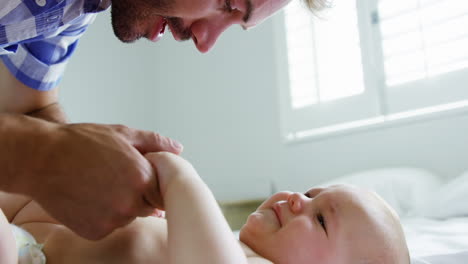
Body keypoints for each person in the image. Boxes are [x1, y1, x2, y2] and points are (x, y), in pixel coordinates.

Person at [0, 0, 329, 240]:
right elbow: (37, 139)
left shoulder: (72, 12)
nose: (206, 42)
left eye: (236, 22)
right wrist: (44, 156)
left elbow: (29, 110)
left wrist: (91, 170)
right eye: (228, 3)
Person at [0, 152, 410, 264]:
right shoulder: (232, 243)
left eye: (320, 218)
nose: (297, 199)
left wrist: (180, 179)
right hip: (31, 236)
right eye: (310, 192)